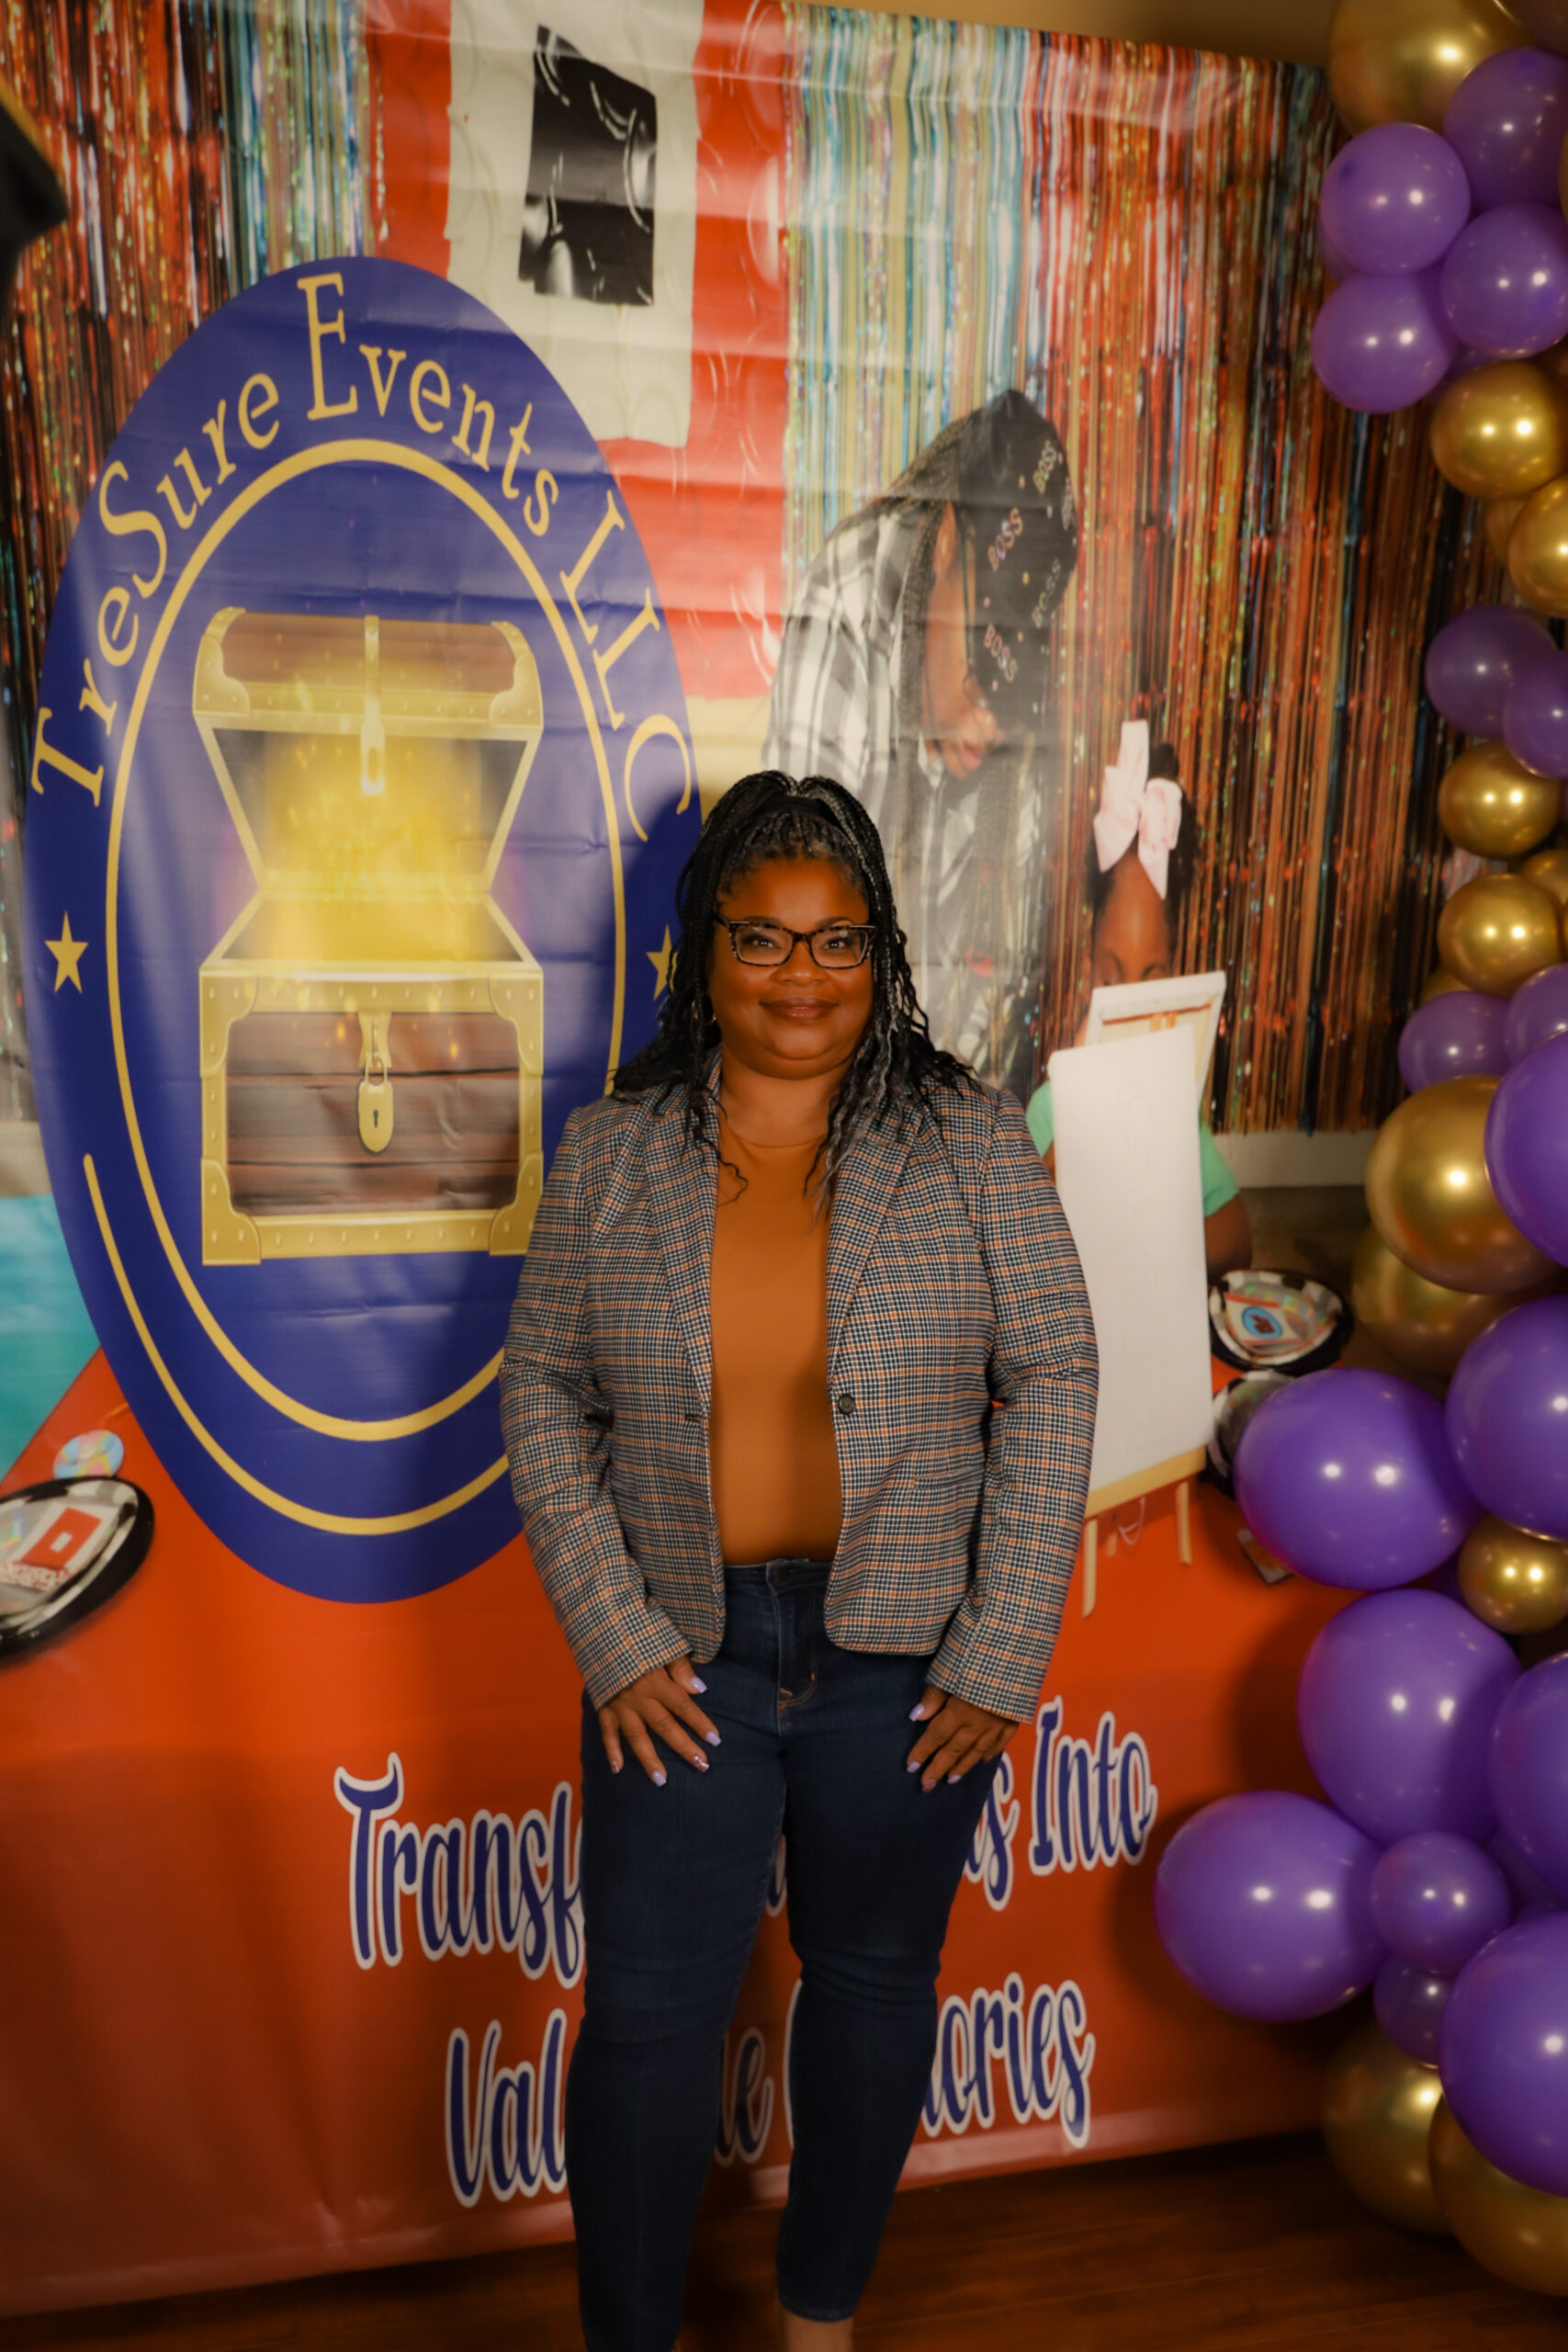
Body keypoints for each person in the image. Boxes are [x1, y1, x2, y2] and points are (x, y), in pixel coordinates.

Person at [501, 771, 1097, 2352]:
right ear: (703, 952)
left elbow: (1054, 1373)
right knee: (641, 2022)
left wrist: (997, 1647)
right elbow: (541, 1386)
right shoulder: (616, 1150)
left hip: (904, 1661)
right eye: (759, 939)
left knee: (877, 1986)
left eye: (837, 943)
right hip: (678, 1660)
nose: (799, 977)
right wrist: (614, 1634)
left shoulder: (962, 1138)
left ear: (881, 954)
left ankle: (819, 2312)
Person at [764, 390, 1077, 1100]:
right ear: (945, 544)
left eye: (1015, 677)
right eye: (981, 654)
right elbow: (796, 950)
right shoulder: (848, 601)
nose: (992, 716)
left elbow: (984, 1031)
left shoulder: (1015, 747)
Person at [1025, 724, 1252, 1281]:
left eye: (1151, 977)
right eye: (1112, 974)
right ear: (1086, 974)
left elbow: (1235, 1245)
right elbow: (1023, 1248)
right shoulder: (1049, 1110)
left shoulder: (1174, 1108)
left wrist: (1152, 1220)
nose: (1129, 1000)